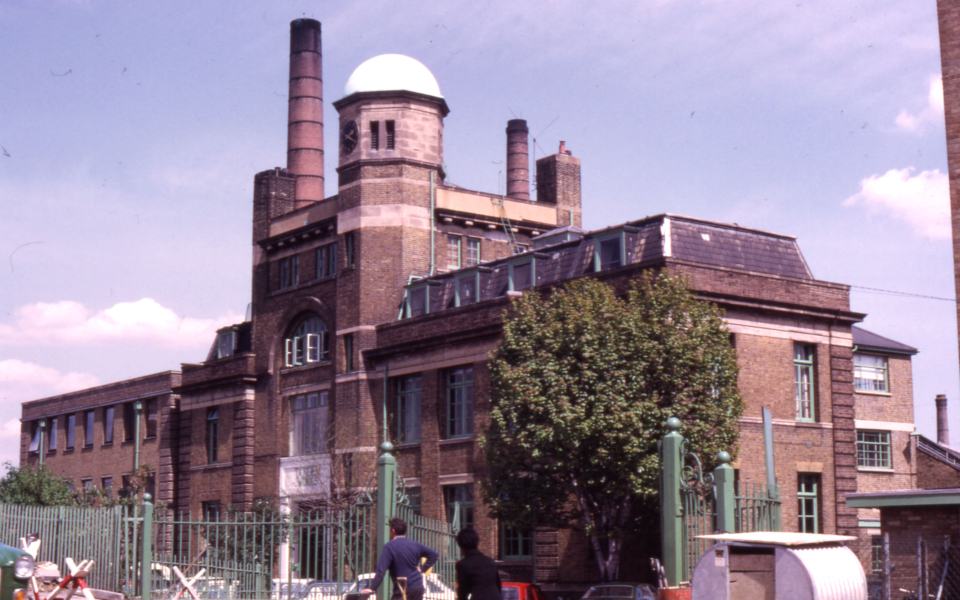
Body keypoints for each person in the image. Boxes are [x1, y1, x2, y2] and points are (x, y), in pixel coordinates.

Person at [363, 518, 439, 600]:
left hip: (402, 588)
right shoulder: (414, 544)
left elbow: (381, 571)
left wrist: (371, 587)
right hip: (417, 586)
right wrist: (422, 568)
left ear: (393, 530)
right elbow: (434, 554)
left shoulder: (389, 546)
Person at [454, 527, 501, 600]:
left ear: (462, 547)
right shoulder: (490, 561)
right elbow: (498, 585)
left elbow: (463, 591)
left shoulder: (463, 564)